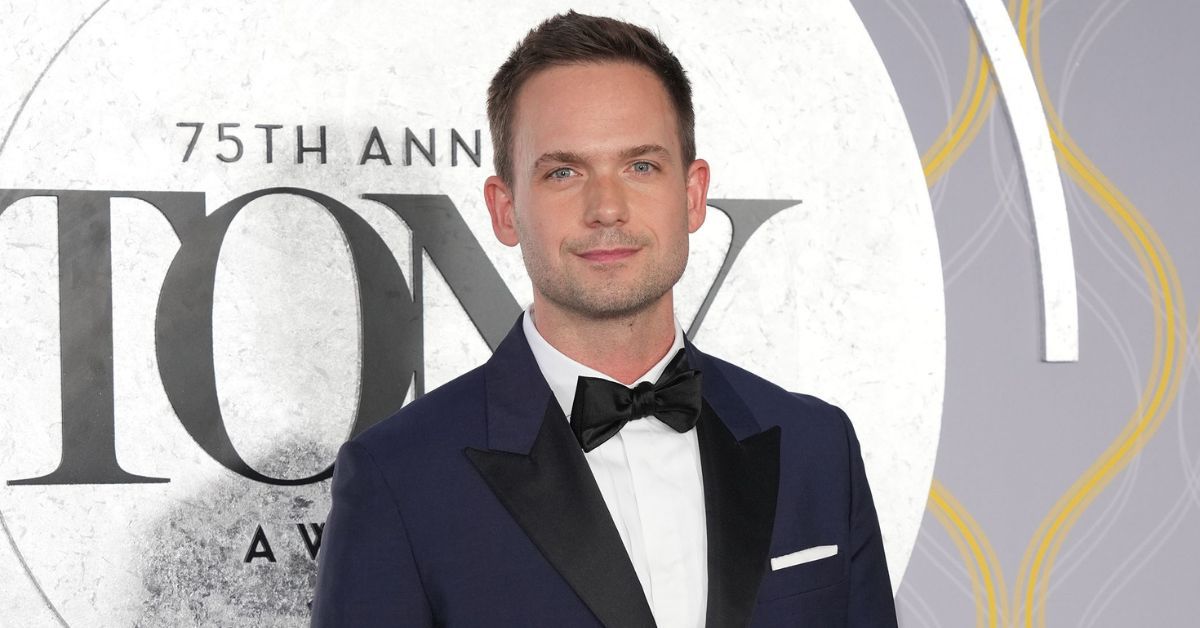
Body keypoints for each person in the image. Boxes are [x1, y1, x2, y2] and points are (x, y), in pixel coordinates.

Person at [311, 11, 897, 627]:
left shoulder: (818, 448)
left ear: (693, 195)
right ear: (505, 210)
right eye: (564, 172)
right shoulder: (400, 479)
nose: (607, 208)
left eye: (641, 166)